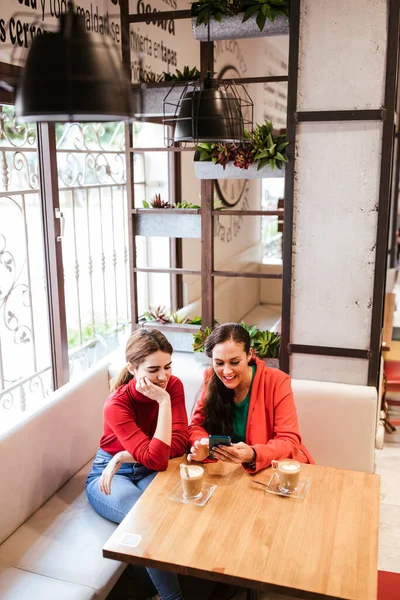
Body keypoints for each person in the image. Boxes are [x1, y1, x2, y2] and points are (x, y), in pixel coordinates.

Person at [86, 328, 189, 600]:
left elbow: (179, 445)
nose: (163, 376)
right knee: (146, 522)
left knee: (183, 508)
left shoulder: (172, 387)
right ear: (132, 368)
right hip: (109, 474)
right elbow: (158, 456)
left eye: (168, 366)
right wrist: (163, 403)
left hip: (133, 464)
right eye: (153, 369)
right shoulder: (116, 404)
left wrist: (124, 454)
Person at [187, 323, 313, 471]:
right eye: (219, 363)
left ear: (249, 354)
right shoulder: (211, 377)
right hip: (227, 471)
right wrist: (201, 445)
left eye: (235, 362)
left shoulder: (277, 381)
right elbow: (196, 426)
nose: (227, 371)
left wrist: (254, 453)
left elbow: (289, 441)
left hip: (271, 469)